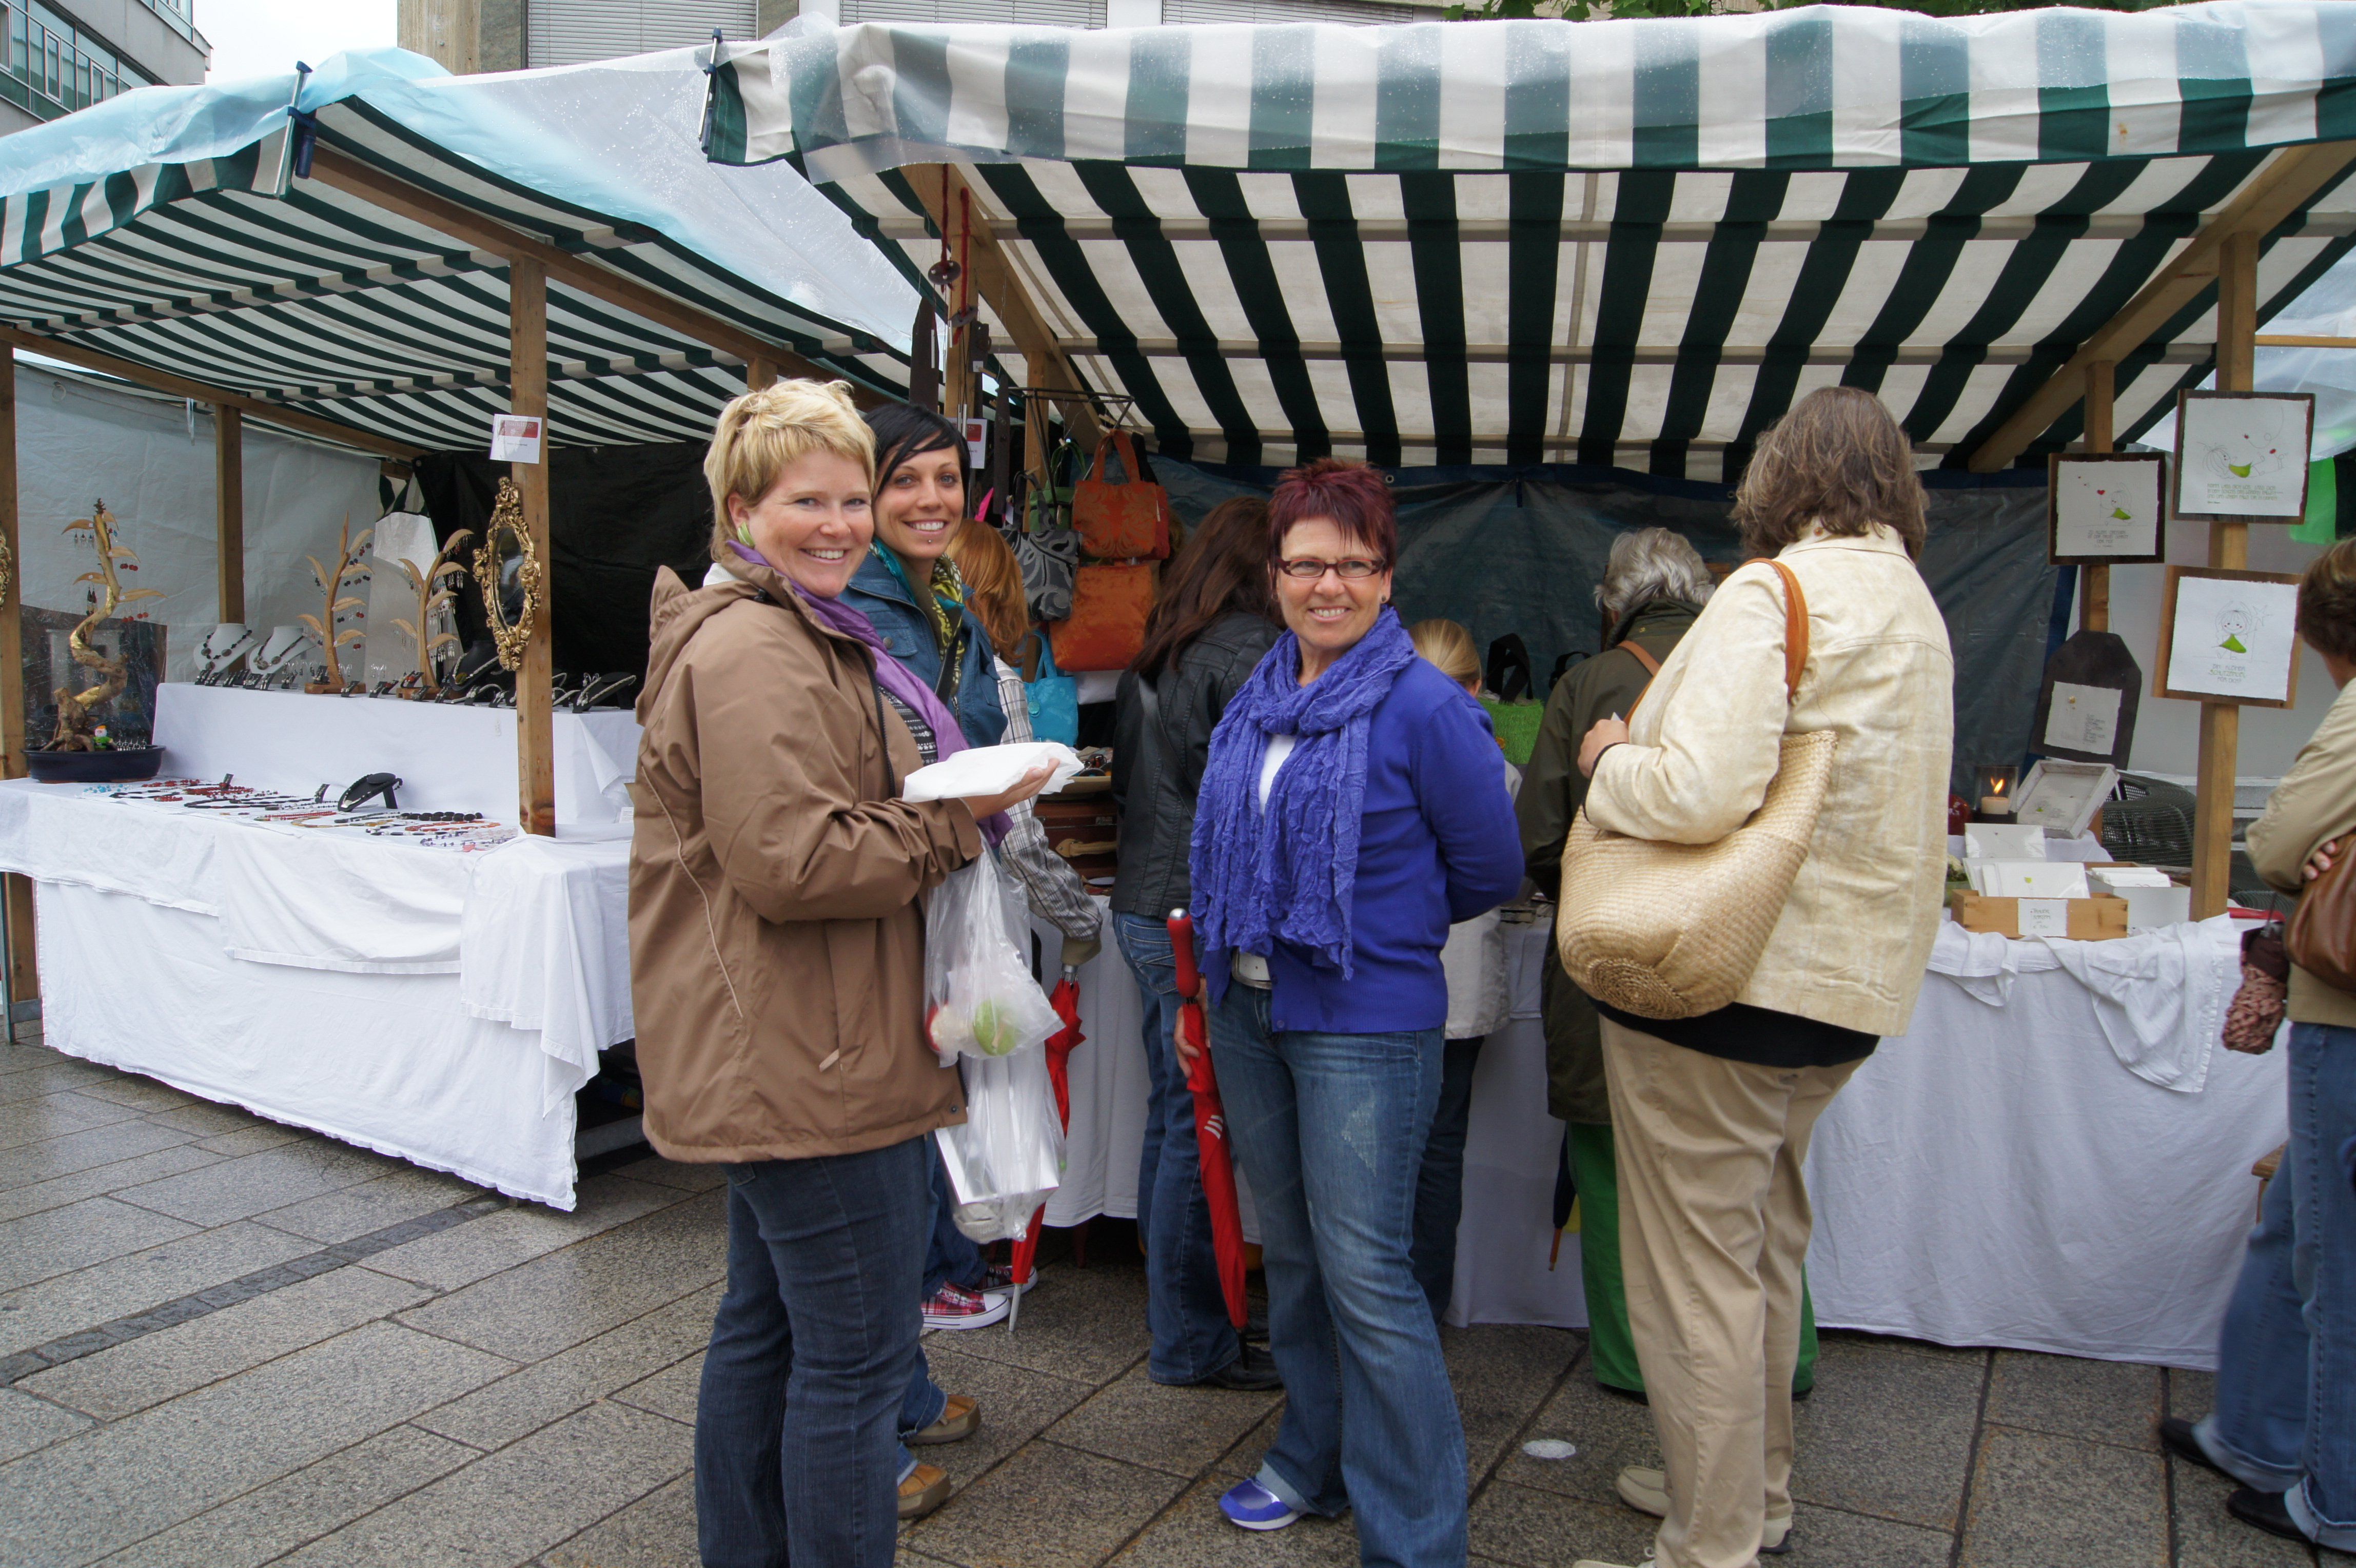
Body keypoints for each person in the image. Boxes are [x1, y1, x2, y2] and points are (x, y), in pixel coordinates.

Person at [629, 380, 1051, 1565]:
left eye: (851, 499)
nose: (840, 524)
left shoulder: (790, 627)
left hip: (791, 1040)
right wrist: (958, 819)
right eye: (805, 501)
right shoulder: (758, 648)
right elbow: (795, 859)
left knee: (768, 1327)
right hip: (810, 1055)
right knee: (855, 1363)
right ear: (740, 511)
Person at [1566, 386, 1953, 1568]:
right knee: (1766, 1249)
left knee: (1694, 1280)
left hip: (1724, 983)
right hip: (1843, 993)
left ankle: (1712, 1538)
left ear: (1778, 479)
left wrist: (1608, 758)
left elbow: (1697, 792)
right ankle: (1752, 1494)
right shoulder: (1916, 606)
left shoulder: (1770, 590)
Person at [1189, 458, 1523, 1563]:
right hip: (1248, 1007)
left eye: (1351, 563)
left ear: (1386, 576)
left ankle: (1418, 1541)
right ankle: (1312, 1459)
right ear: (1274, 574)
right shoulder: (1256, 694)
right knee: (1293, 1255)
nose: (1325, 584)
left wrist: (1377, 923)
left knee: (1369, 1278)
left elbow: (1490, 867)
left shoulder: (1426, 705)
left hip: (1363, 1023)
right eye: (1304, 564)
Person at [1521, 528, 1837, 1407]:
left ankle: (1634, 1369)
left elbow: (1537, 837)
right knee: (1752, 1181)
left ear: (1612, 603)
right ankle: (1787, 1359)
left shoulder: (1588, 683)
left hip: (1610, 965)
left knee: (1611, 1169)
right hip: (1741, 962)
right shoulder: (1767, 669)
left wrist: (1601, 890)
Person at [2162, 534, 2356, 1555]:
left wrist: (2320, 846)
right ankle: (2255, 1433)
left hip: (2346, 1015)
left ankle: (2337, 1497)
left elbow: (2277, 844)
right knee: (2293, 1227)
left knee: (2335, 1256)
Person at [843, 403, 1015, 1334]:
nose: (931, 498)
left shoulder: (950, 600)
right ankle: (919, 1278)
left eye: (946, 478)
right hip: (889, 873)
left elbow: (976, 729)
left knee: (942, 1067)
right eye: (904, 479)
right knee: (906, 1082)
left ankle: (944, 1258)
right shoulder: (855, 603)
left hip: (946, 865)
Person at [1110, 497, 1285, 1391]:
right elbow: (1254, 807)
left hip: (1146, 907)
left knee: (1175, 1118)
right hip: (1193, 918)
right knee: (1197, 1127)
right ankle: (1189, 1337)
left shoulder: (1163, 644)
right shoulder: (1252, 651)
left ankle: (1177, 1317)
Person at [1404, 616, 1523, 1321]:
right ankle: (1425, 1305)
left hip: (1392, 978)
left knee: (1381, 1151)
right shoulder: (1495, 768)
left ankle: (1380, 1310)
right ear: (1478, 688)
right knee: (1440, 1146)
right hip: (1457, 979)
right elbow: (1507, 877)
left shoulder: (1380, 749)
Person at [944, 519, 1107, 971]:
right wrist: (1081, 919)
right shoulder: (995, 682)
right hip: (977, 925)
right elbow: (1015, 839)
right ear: (1002, 595)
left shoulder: (898, 669)